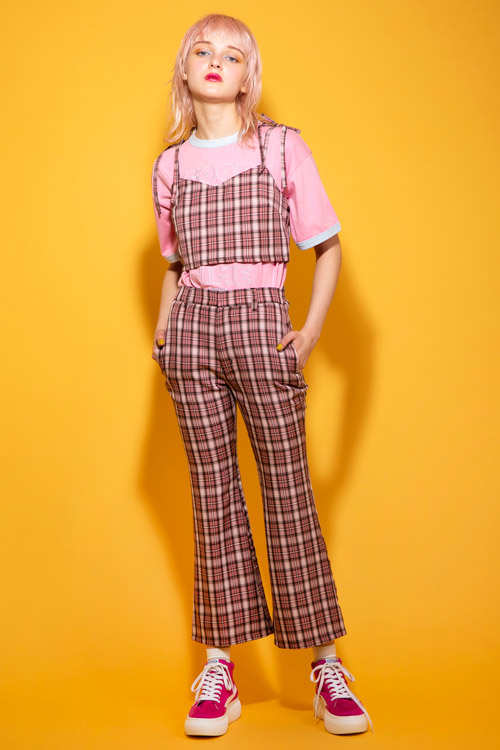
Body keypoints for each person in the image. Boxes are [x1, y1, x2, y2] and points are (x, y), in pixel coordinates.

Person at [151, 13, 373, 738]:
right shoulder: (169, 166)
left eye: (233, 54)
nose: (216, 61)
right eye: (203, 51)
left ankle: (326, 667)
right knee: (212, 497)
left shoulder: (281, 148)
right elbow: (175, 263)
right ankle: (220, 671)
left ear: (249, 75)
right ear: (186, 70)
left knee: (288, 492)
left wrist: (308, 333)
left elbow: (327, 245)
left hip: (262, 326)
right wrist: (165, 329)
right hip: (192, 334)